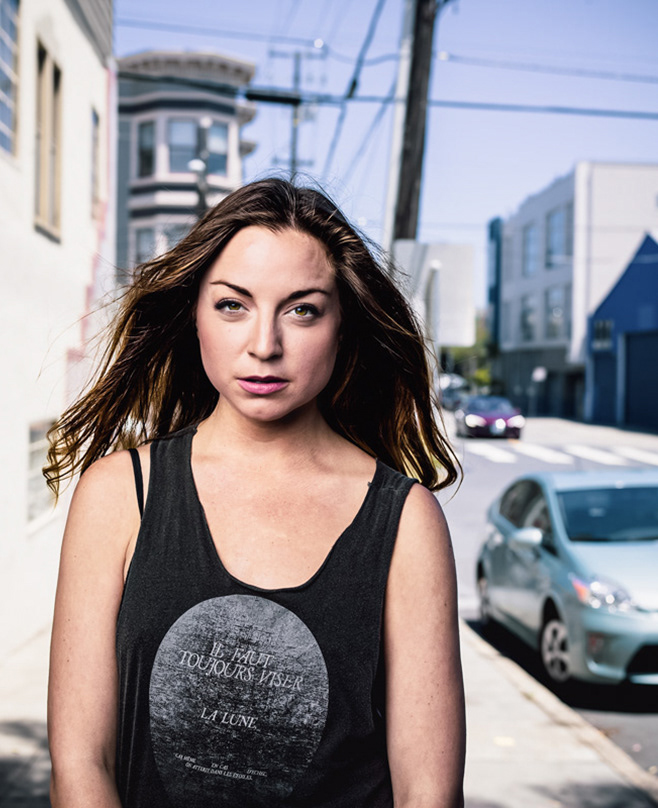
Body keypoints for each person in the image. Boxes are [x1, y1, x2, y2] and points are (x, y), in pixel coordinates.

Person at [46, 177, 466, 808]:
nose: (264, 345)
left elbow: (428, 792)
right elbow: (81, 763)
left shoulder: (405, 521)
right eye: (233, 305)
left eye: (302, 309)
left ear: (341, 324)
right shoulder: (119, 495)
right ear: (195, 313)